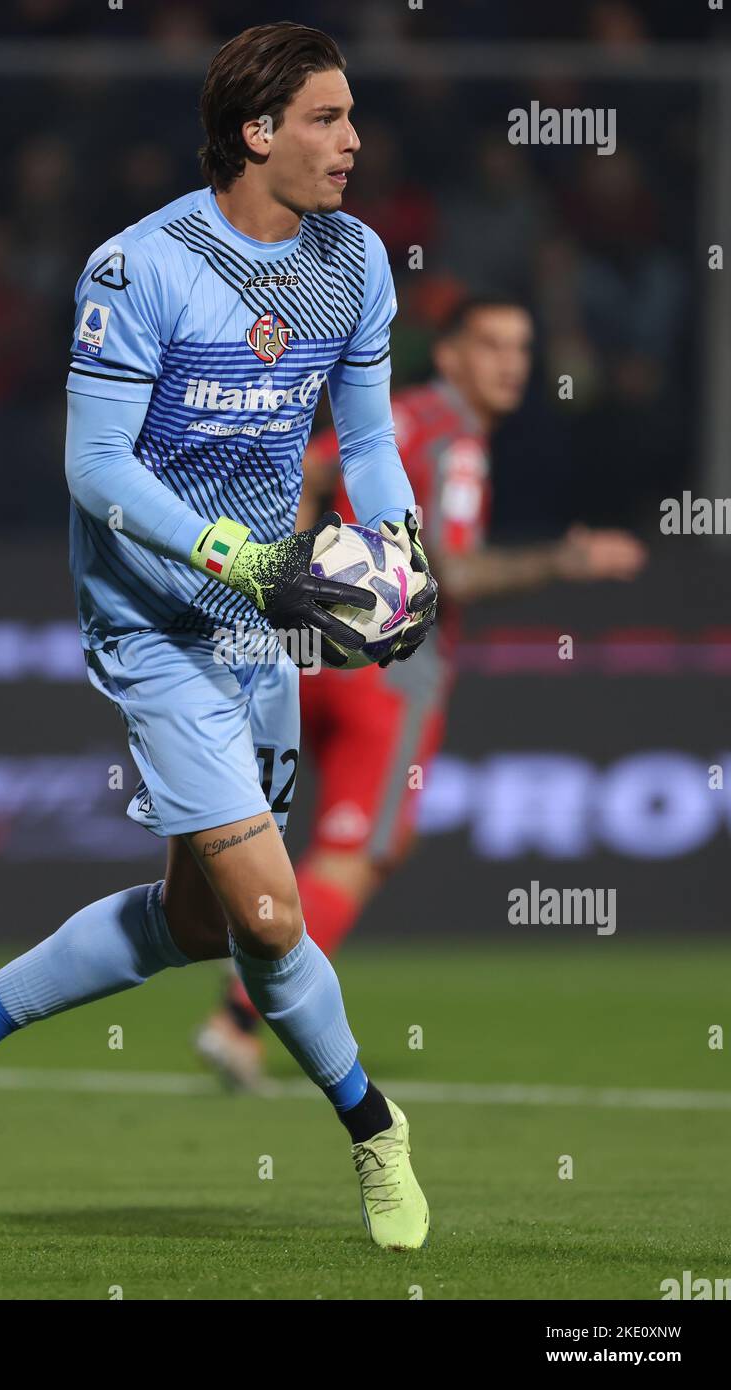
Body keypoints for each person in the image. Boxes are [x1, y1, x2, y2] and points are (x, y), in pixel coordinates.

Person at [0, 23, 438, 1252]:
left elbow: (372, 431)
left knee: (203, 925)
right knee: (276, 921)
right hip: (154, 620)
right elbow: (91, 468)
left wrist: (395, 555)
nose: (353, 142)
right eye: (328, 119)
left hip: (266, 623)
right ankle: (375, 1128)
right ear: (257, 132)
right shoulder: (142, 268)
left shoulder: (353, 261)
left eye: (352, 119)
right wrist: (244, 558)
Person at [197, 295, 647, 1087]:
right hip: (395, 668)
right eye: (490, 344)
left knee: (293, 831)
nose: (510, 362)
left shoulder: (393, 416)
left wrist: (297, 581)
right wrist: (566, 561)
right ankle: (238, 1018)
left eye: (521, 345)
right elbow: (456, 570)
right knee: (362, 849)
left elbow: (308, 468)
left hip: (305, 655)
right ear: (448, 356)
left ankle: (238, 979)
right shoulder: (459, 444)